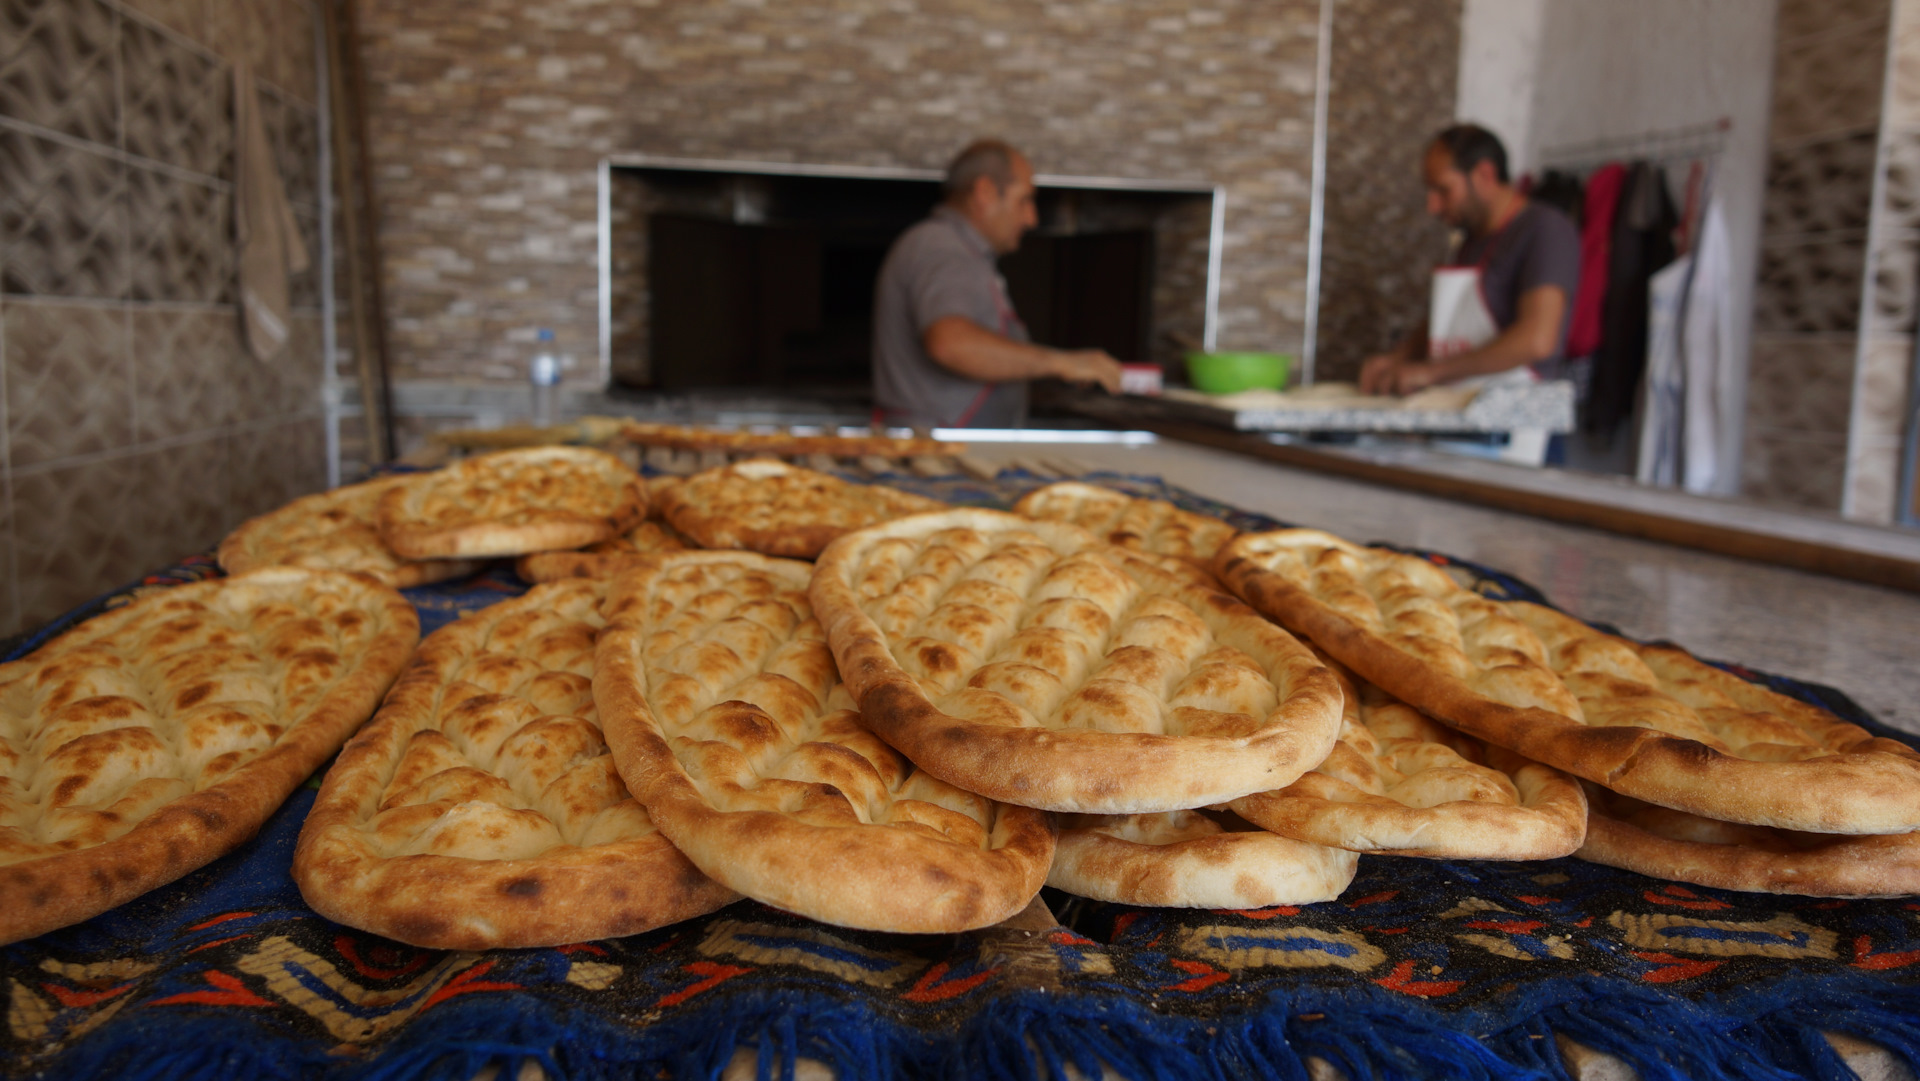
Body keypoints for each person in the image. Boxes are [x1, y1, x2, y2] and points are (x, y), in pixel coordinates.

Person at [871, 139, 1123, 428]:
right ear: (986, 193)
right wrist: (1063, 363)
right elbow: (951, 343)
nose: (1032, 218)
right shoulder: (941, 246)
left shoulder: (962, 251)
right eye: (1024, 200)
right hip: (937, 450)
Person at [1359, 124, 1581, 396]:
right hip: (1461, 410)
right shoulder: (1472, 241)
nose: (1433, 206)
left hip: (1515, 423)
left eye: (1442, 190)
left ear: (1484, 175)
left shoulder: (1545, 230)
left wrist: (1431, 371)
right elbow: (1448, 319)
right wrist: (1398, 358)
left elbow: (1537, 339)